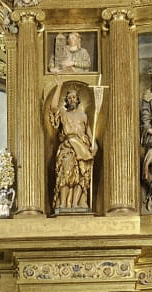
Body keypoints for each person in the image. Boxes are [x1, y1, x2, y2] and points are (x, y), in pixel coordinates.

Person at [47, 85, 97, 213]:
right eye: (69, 98)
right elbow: (53, 108)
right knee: (66, 175)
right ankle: (64, 203)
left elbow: (89, 133)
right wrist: (59, 86)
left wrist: (94, 145)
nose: (72, 99)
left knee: (82, 176)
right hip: (68, 147)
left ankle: (76, 203)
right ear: (66, 101)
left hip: (83, 148)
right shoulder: (63, 114)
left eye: (74, 97)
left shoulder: (83, 115)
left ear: (78, 100)